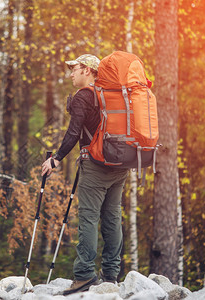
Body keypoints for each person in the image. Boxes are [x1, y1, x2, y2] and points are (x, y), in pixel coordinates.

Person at [41, 54, 129, 295]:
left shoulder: (84, 96)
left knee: (89, 218)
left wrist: (56, 158)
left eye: (75, 68)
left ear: (88, 71)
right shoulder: (112, 94)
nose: (71, 73)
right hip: (121, 164)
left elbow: (73, 132)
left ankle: (84, 276)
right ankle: (111, 274)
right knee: (112, 217)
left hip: (96, 165)